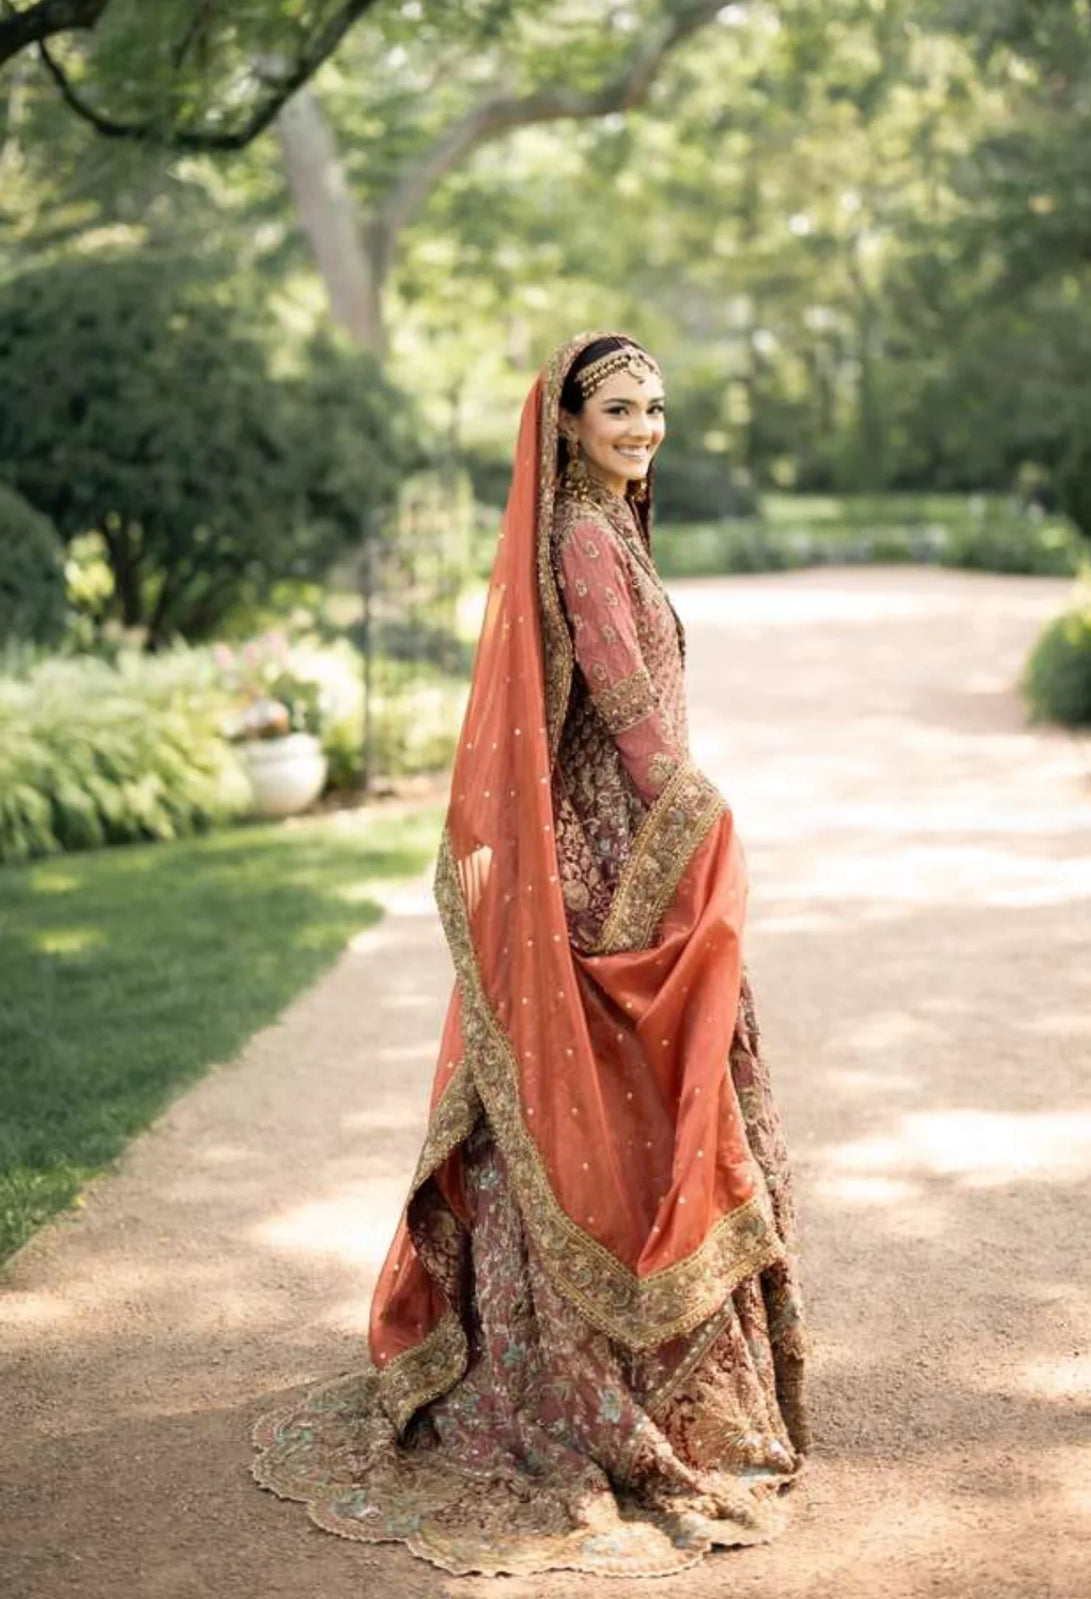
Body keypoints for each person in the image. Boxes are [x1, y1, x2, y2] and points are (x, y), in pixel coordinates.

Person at [251, 332, 808, 1578]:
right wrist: (701, 822)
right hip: (622, 860)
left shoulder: (606, 524)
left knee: (592, 1105)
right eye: (620, 409)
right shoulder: (581, 541)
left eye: (657, 407)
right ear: (564, 424)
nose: (645, 427)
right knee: (598, 1108)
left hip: (623, 842)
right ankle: (585, 1391)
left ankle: (569, 1367)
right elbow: (627, 711)